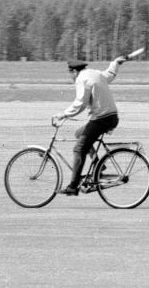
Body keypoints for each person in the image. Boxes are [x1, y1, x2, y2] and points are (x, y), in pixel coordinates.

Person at [52, 55, 128, 196]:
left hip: (102, 119)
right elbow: (110, 74)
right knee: (79, 134)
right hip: (111, 117)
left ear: (74, 72)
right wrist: (116, 63)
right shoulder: (95, 73)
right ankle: (99, 165)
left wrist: (63, 114)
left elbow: (80, 103)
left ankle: (73, 187)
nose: (71, 77)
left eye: (70, 74)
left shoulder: (81, 79)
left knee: (79, 149)